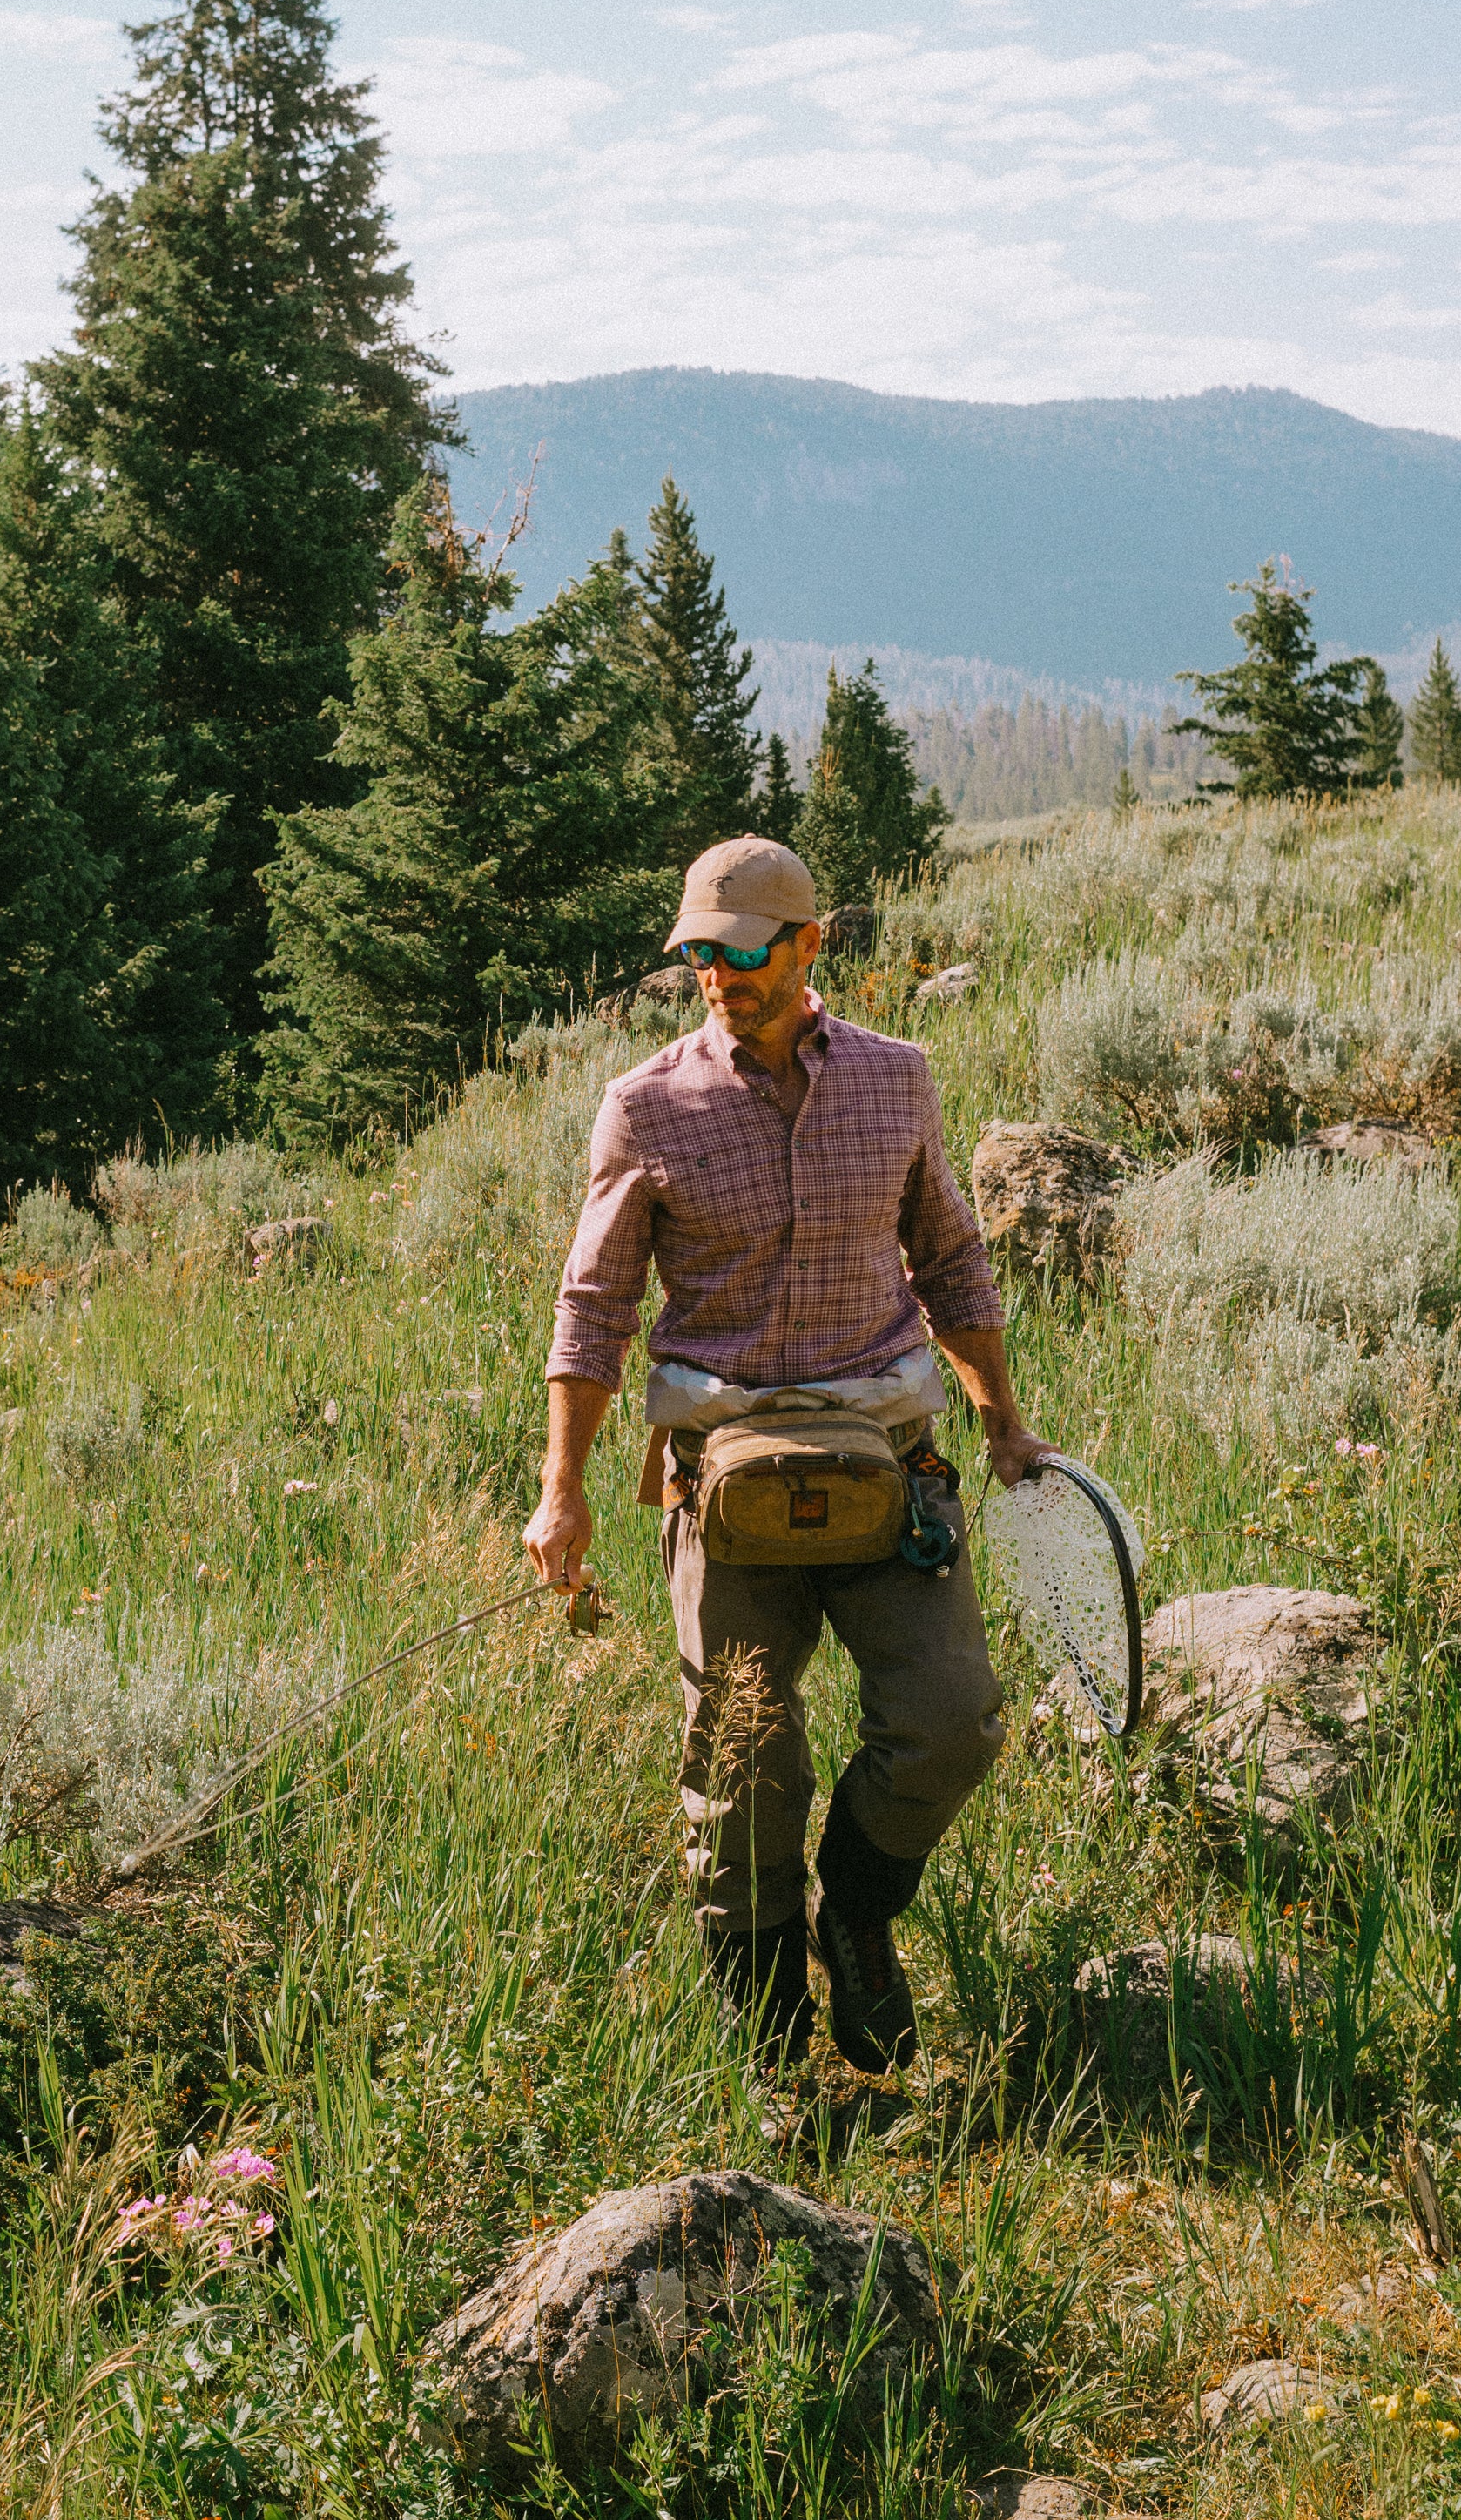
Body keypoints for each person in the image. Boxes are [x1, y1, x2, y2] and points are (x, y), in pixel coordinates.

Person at [523, 834, 1052, 2071]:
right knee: (746, 1764)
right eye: (699, 952)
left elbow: (950, 1255)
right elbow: (591, 1308)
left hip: (890, 1460)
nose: (719, 973)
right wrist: (562, 1494)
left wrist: (1002, 1417)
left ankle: (855, 1915)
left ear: (808, 943)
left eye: (744, 949)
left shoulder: (897, 1078)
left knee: (953, 1717)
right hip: (723, 1482)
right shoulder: (645, 1103)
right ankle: (769, 2066)